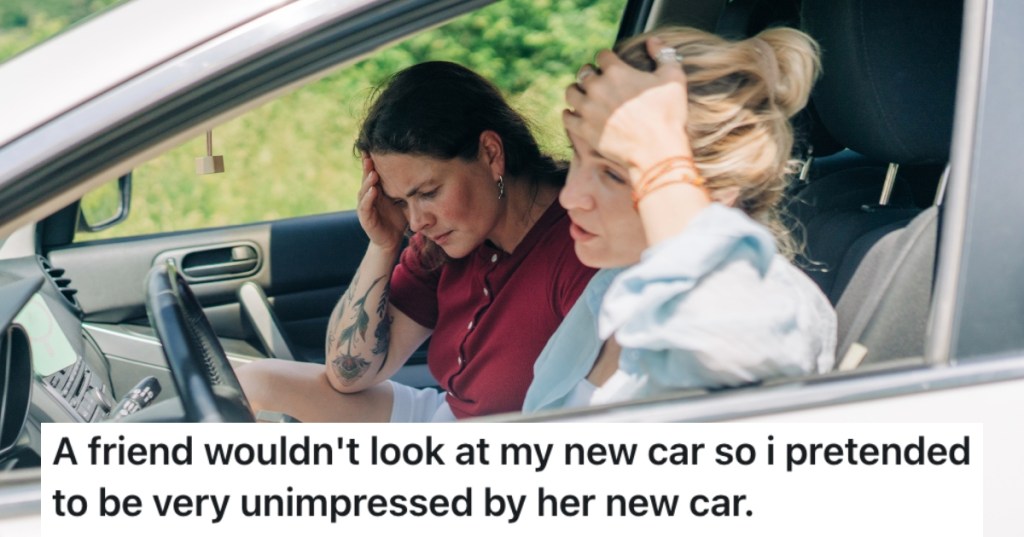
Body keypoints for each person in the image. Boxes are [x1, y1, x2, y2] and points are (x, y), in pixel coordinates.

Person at [238, 61, 595, 422]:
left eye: (428, 193)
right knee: (256, 384)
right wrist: (382, 246)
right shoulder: (441, 245)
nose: (416, 222)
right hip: (446, 415)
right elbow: (349, 374)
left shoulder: (583, 246)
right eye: (400, 202)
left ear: (491, 153)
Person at [522, 27, 837, 412]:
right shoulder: (609, 289)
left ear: (719, 190)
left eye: (615, 174)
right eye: (578, 155)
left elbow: (731, 353)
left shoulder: (773, 305)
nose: (570, 196)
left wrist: (657, 152)